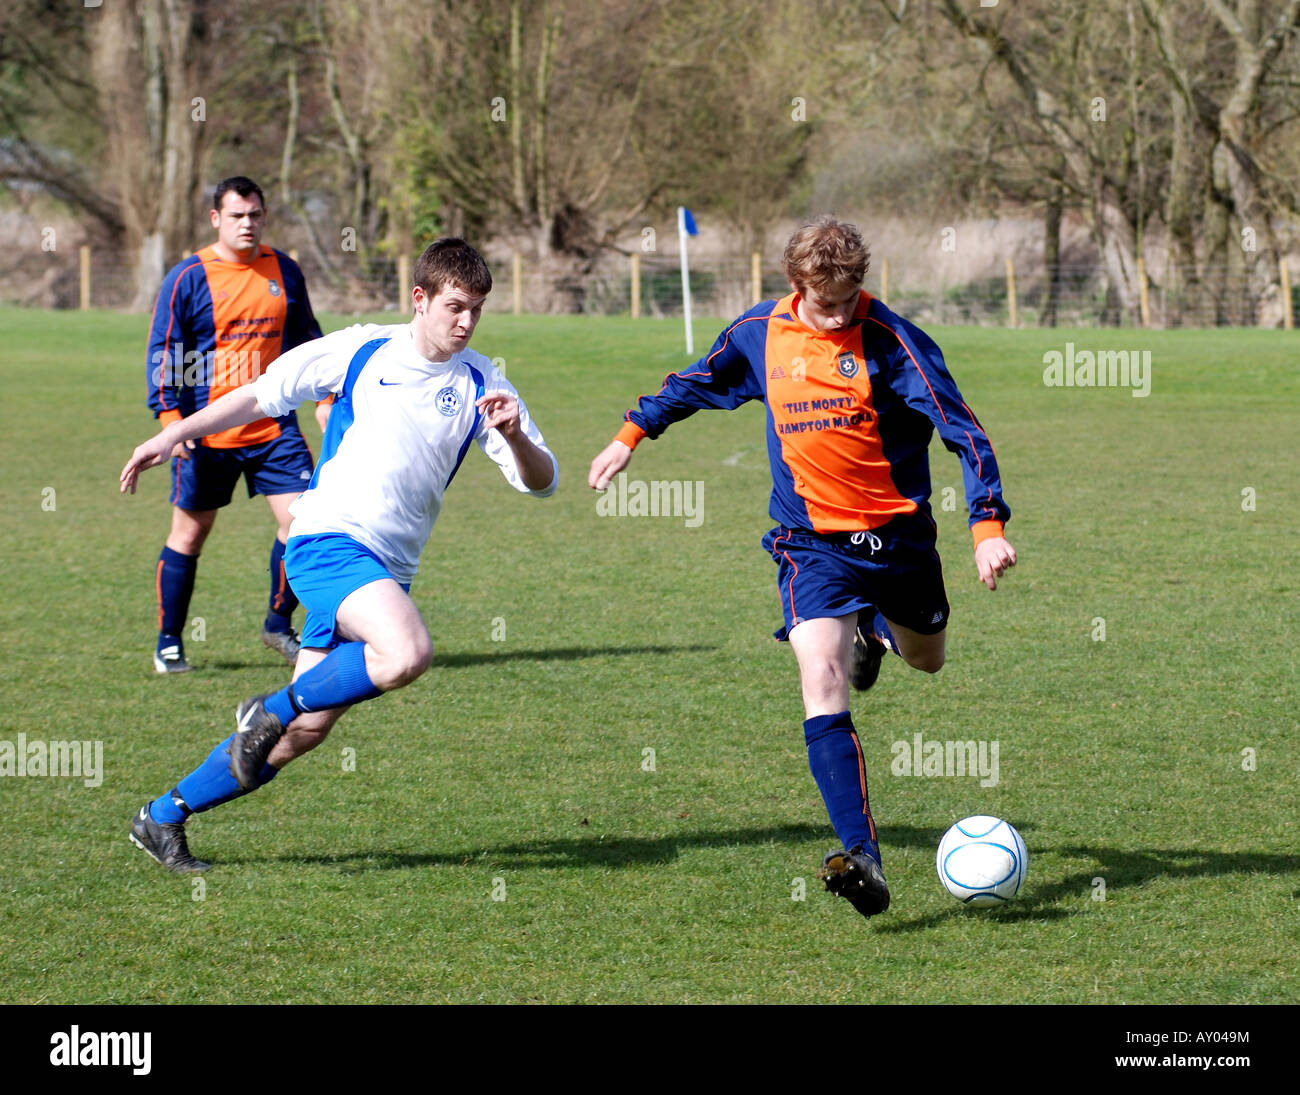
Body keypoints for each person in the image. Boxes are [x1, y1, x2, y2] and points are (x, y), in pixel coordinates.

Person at [588, 216, 1016, 920]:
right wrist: (633, 433)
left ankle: (876, 632)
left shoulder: (893, 340)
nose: (841, 313)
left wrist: (986, 525)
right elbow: (697, 380)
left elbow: (962, 429)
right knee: (820, 676)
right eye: (827, 303)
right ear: (795, 286)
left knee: (927, 659)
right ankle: (863, 857)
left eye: (851, 299)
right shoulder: (761, 332)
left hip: (899, 539)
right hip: (810, 542)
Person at [121, 238, 558, 872]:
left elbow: (542, 482)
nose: (466, 323)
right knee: (405, 653)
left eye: (477, 311)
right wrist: (174, 433)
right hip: (328, 542)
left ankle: (162, 816)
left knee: (301, 735)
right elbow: (261, 394)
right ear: (420, 299)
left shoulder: (482, 383)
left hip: (385, 572)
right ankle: (266, 707)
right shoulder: (361, 348)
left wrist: (516, 437)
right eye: (455, 307)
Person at [146, 175, 328, 674]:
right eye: (236, 216)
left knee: (304, 523)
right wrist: (170, 421)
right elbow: (165, 350)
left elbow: (308, 342)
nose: (247, 224)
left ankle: (277, 625)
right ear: (215, 219)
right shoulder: (188, 277)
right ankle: (169, 642)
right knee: (190, 534)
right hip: (206, 434)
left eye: (255, 215)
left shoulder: (285, 271)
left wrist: (325, 396)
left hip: (273, 428)